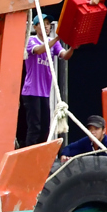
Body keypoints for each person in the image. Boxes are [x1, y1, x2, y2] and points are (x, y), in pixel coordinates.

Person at [22, 14, 74, 148]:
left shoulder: (53, 42)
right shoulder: (31, 40)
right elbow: (39, 51)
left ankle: (40, 156)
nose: (46, 26)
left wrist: (73, 47)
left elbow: (65, 56)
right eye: (43, 23)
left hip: (44, 92)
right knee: (35, 127)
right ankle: (29, 157)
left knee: (45, 128)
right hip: (31, 91)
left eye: (48, 23)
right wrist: (57, 38)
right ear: (35, 27)